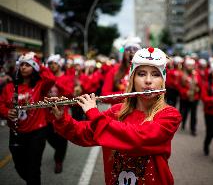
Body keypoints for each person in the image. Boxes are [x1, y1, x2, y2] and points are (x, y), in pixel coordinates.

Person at [47, 47, 182, 185]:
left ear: (162, 80)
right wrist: (61, 118)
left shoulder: (169, 115)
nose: (148, 80)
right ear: (133, 79)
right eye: (141, 74)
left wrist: (94, 113)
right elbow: (85, 134)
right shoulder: (116, 111)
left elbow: (139, 138)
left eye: (155, 74)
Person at [0, 52, 55, 184]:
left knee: (33, 168)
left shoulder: (40, 85)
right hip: (16, 133)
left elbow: (51, 79)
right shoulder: (9, 87)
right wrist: (7, 112)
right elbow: (1, 105)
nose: (23, 67)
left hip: (37, 133)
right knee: (20, 167)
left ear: (34, 68)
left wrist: (38, 62)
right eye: (22, 65)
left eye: (28, 65)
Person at [46, 54, 73, 173]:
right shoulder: (46, 78)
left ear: (59, 64)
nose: (52, 66)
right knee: (50, 138)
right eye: (50, 64)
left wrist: (56, 83)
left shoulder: (66, 78)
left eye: (54, 63)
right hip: (47, 115)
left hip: (62, 114)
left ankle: (58, 161)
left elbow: (70, 93)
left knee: (62, 139)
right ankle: (59, 151)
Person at [101, 36, 141, 104]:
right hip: (118, 112)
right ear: (124, 53)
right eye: (128, 49)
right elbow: (104, 96)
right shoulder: (115, 70)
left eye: (135, 49)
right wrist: (125, 94)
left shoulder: (144, 69)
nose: (132, 52)